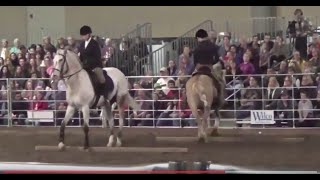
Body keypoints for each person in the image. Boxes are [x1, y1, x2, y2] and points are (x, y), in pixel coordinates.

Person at [193, 29, 225, 107]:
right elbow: (216, 59)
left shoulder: (196, 48)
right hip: (210, 68)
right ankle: (221, 100)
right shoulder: (213, 46)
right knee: (220, 83)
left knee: (189, 82)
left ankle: (186, 99)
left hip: (199, 68)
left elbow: (195, 62)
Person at [78, 25, 108, 101]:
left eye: (84, 35)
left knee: (101, 78)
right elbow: (81, 55)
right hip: (84, 66)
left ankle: (103, 95)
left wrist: (88, 62)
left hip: (95, 65)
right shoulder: (81, 44)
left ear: (88, 34)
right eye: (82, 35)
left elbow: (97, 56)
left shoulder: (94, 44)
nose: (83, 37)